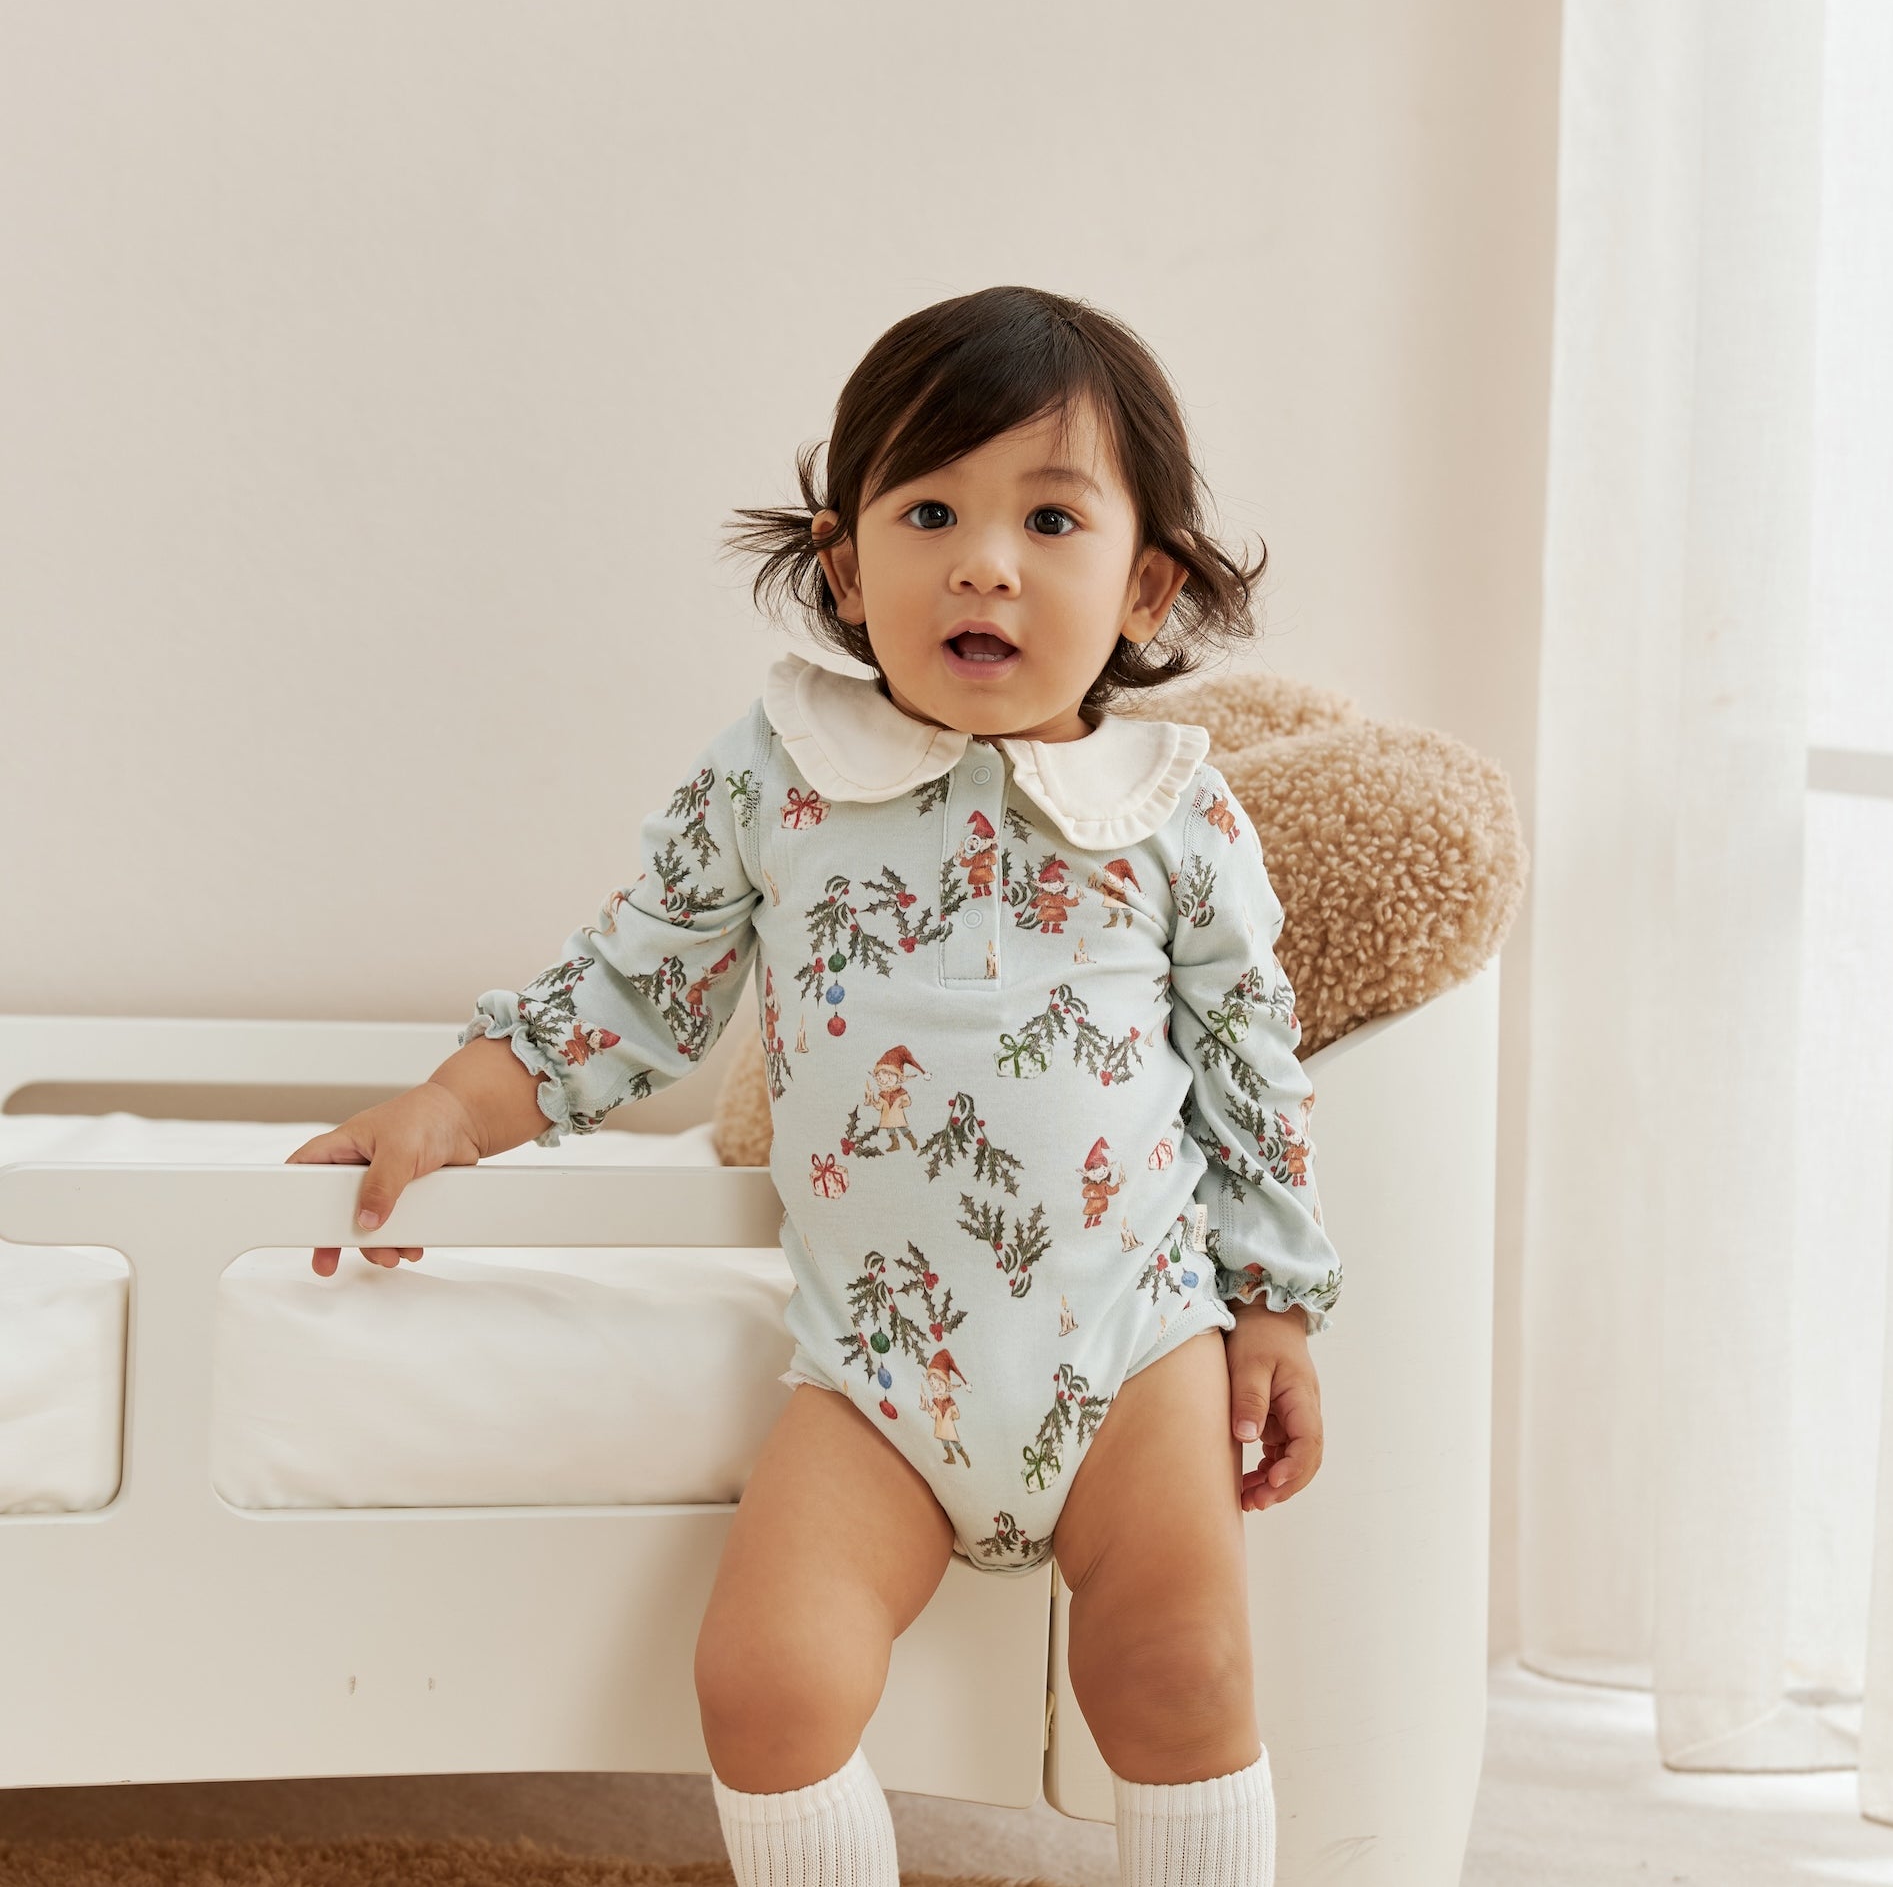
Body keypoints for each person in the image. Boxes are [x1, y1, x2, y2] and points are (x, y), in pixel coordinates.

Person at [287, 286, 1341, 1887]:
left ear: (1143, 588)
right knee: (764, 1684)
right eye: (930, 510)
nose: (983, 558)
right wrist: (459, 1098)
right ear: (848, 569)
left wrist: (1271, 1308)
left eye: (1047, 517)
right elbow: (633, 982)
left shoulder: (1173, 814)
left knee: (1183, 1677)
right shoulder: (779, 777)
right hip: (879, 1362)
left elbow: (1247, 1072)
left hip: (1130, 1345)